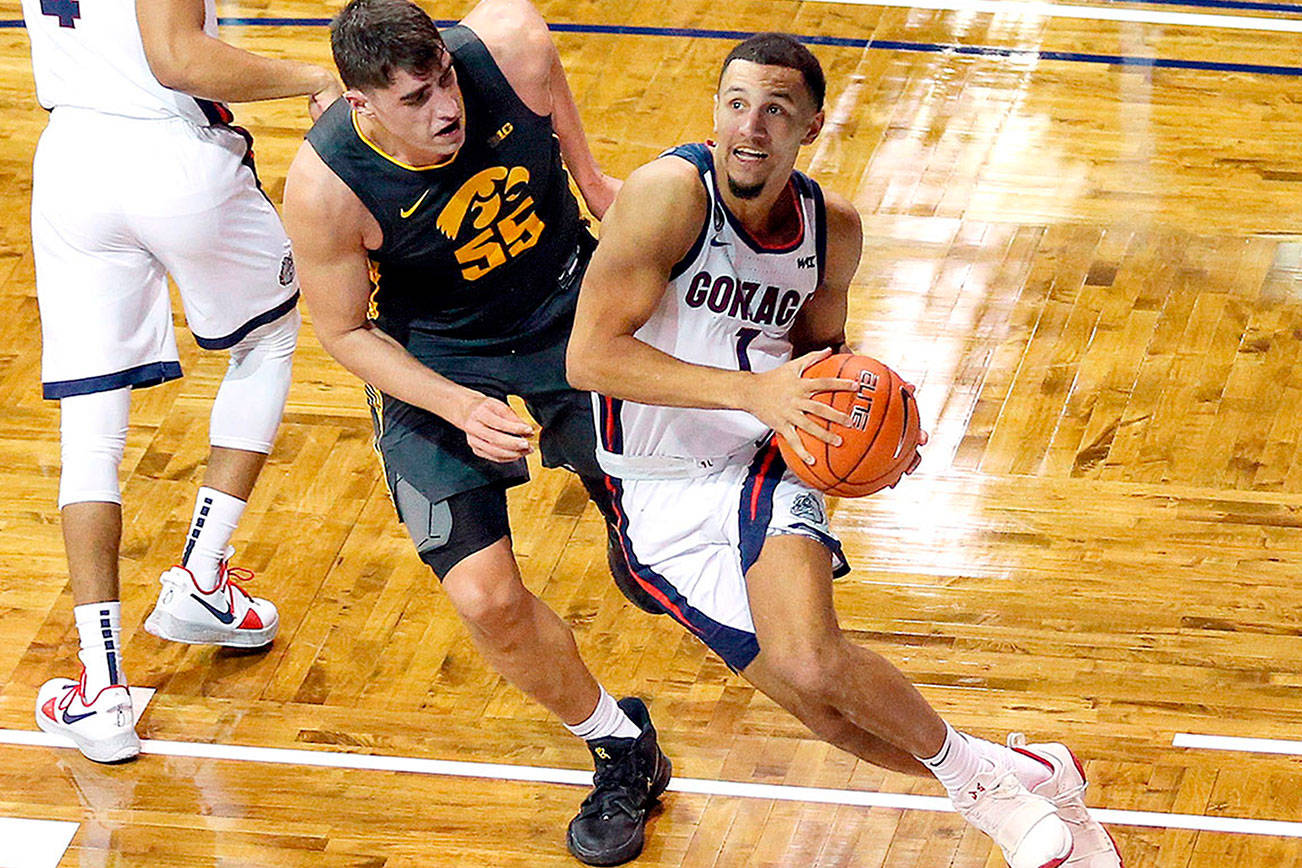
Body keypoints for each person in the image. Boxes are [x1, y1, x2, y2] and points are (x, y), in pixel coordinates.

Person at [566, 33, 1124, 868]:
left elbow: (825, 355)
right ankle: (1027, 774)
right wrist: (753, 390)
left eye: (776, 110)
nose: (750, 127)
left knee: (812, 655)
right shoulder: (669, 196)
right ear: (716, 110)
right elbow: (591, 358)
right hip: (653, 491)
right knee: (823, 711)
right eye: (736, 104)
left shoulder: (834, 230)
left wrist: (881, 429)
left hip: (766, 453)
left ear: (812, 127)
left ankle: (986, 798)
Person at [281, 0, 669, 863]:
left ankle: (634, 522)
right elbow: (344, 333)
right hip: (439, 358)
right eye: (416, 98)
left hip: (568, 308)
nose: (446, 108)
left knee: (660, 566)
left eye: (446, 79)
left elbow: (554, 108)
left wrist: (600, 186)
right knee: (485, 599)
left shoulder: (513, 46)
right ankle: (619, 745)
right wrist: (457, 406)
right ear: (361, 105)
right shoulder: (324, 189)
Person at [24, 0, 341, 764]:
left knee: (90, 433)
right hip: (169, 155)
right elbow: (180, 60)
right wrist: (311, 76)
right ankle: (201, 574)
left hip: (71, 164)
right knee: (267, 341)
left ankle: (101, 690)